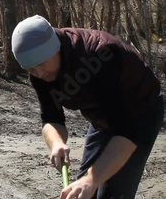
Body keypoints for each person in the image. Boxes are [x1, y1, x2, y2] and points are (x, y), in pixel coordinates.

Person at [11, 15, 164, 199]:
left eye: (41, 65)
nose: (38, 73)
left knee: (110, 193)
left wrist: (92, 179)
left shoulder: (101, 56)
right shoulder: (41, 72)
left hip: (140, 113)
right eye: (31, 69)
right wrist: (57, 143)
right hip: (101, 114)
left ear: (55, 49)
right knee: (81, 193)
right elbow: (52, 119)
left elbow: (126, 133)